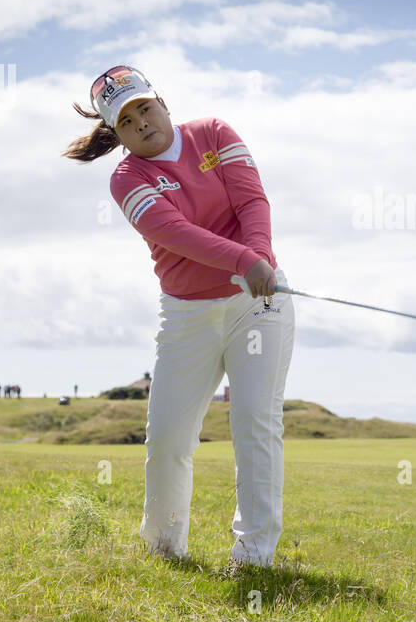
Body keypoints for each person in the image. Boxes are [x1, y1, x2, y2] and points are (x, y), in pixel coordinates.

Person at [62, 65, 296, 571]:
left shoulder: (214, 133)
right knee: (169, 435)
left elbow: (252, 200)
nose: (141, 122)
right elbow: (175, 232)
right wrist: (242, 261)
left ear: (162, 103)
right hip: (187, 313)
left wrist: (259, 258)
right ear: (117, 135)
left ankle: (254, 557)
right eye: (126, 121)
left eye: (144, 107)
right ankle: (164, 549)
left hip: (258, 302)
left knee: (255, 421)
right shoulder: (127, 178)